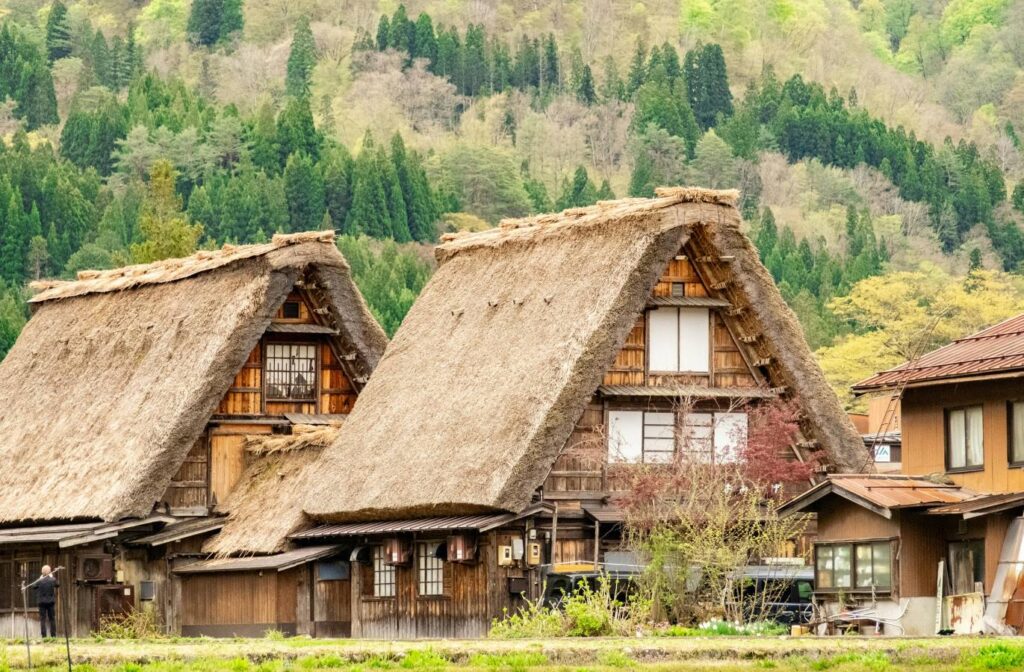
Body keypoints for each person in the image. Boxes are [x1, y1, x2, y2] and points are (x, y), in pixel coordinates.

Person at [33, 565, 58, 638]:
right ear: (49, 571)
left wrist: (39, 578)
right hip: (50, 602)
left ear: (42, 572)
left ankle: (44, 636)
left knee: (42, 619)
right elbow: (57, 584)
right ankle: (53, 636)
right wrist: (51, 577)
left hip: (41, 602)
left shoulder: (40, 580)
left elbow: (33, 586)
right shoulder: (52, 579)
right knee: (52, 619)